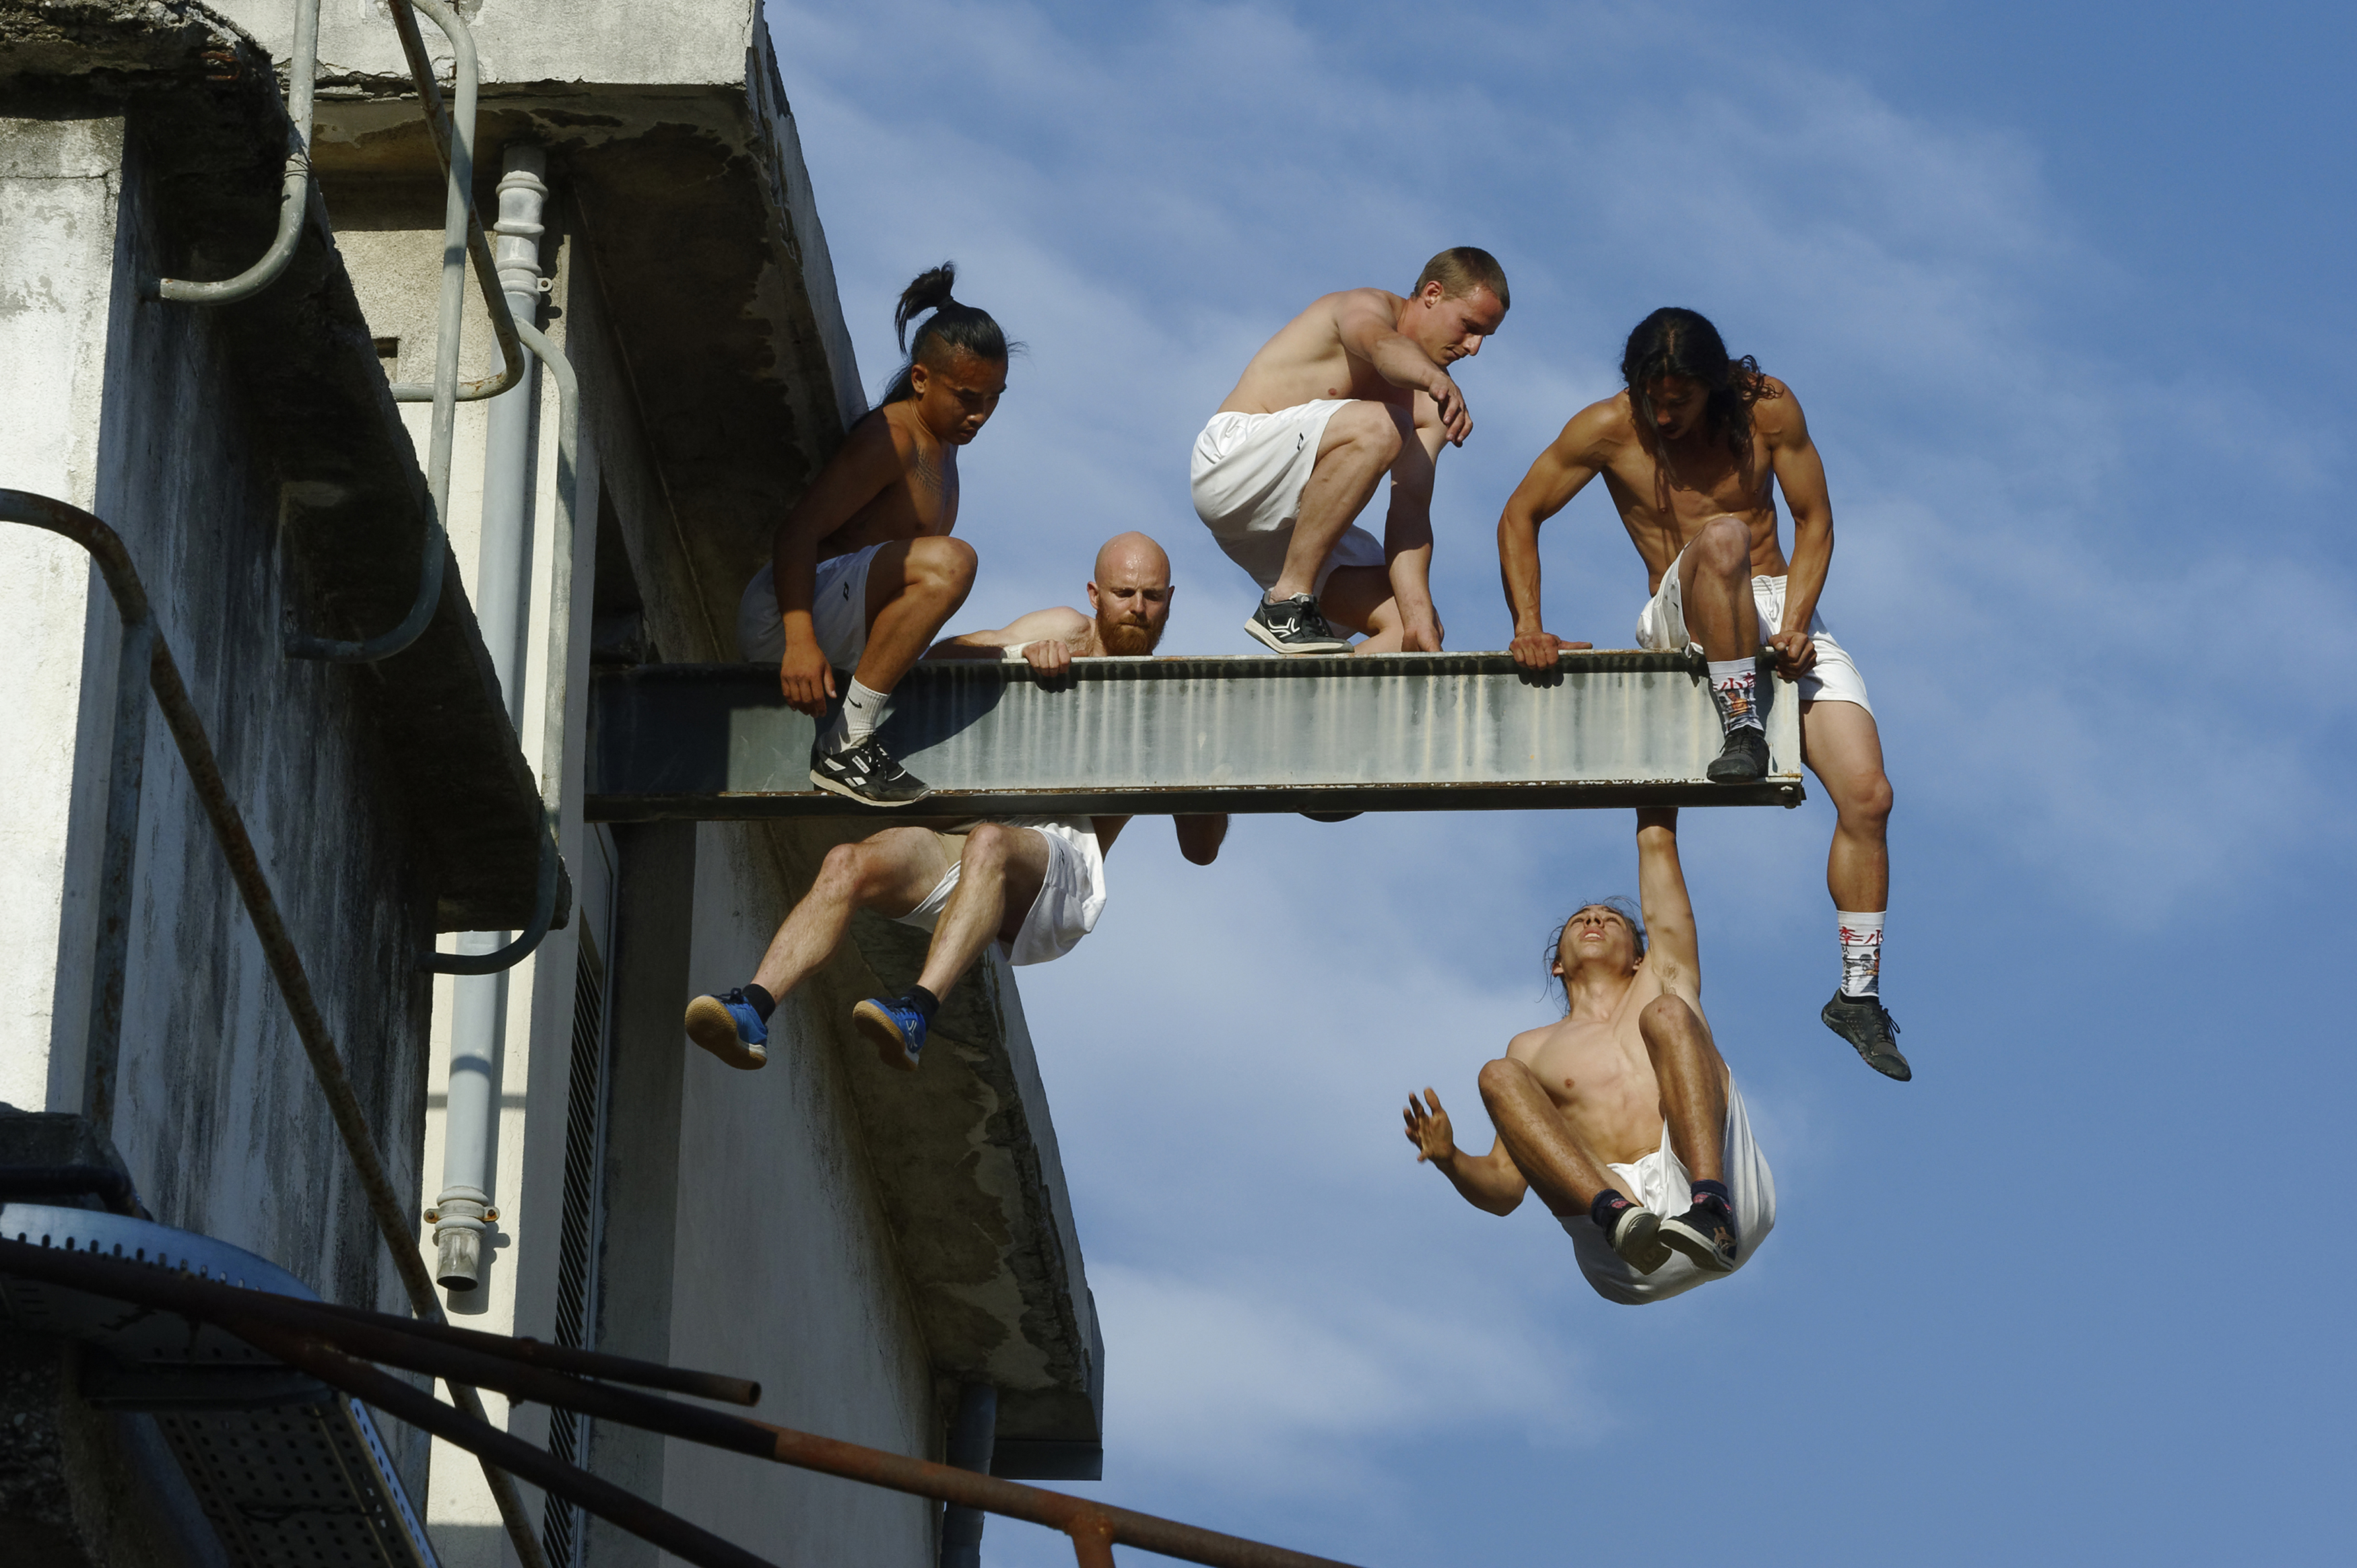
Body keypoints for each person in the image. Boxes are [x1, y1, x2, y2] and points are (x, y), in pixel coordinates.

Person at [1495, 307, 1906, 1081]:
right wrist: (1530, 624)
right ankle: (1739, 723)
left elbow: (1813, 517)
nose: (1663, 413)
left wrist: (1797, 619)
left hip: (1779, 604)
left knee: (1869, 796)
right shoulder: (1606, 429)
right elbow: (1520, 513)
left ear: (1715, 386)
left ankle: (1856, 994)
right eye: (1651, 395)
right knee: (1721, 539)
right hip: (1681, 615)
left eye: (1678, 398)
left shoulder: (1768, 409)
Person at [688, 534, 1226, 1072]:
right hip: (973, 843)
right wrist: (1015, 657)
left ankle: (917, 1012)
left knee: (990, 843)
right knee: (846, 863)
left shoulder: (1169, 693)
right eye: (1124, 592)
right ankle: (753, 1010)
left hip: (1064, 869)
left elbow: (1200, 851)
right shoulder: (1065, 630)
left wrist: (1201, 766)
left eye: (1152, 596)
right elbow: (938, 660)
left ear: (1171, 599)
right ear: (1094, 593)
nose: (1137, 608)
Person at [1401, 809, 1775, 1305]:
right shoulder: (1532, 1049)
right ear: (1557, 964)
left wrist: (1652, 798)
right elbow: (1503, 1188)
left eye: (1611, 918)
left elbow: (1658, 845)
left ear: (1640, 954)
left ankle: (1710, 1205)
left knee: (1667, 1012)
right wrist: (1451, 1160)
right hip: (1622, 1241)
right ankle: (1616, 1215)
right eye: (1580, 920)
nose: (1594, 918)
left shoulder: (1663, 975)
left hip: (1718, 1194)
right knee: (1498, 1074)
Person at [737, 264, 1009, 808]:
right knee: (954, 562)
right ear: (921, 379)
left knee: (1002, 645)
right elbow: (797, 530)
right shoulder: (893, 437)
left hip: (840, 627)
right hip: (787, 616)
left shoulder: (946, 451)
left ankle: (856, 725)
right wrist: (799, 641)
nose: (980, 414)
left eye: (993, 397)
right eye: (966, 397)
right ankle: (846, 744)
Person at [1190, 248, 1508, 656]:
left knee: (1409, 628)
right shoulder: (1365, 308)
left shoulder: (1431, 405)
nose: (1474, 347)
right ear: (1432, 293)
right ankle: (1286, 604)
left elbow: (1409, 514)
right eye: (1469, 326)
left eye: (1485, 337)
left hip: (1286, 530)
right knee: (1384, 425)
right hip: (1232, 466)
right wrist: (1431, 377)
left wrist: (1418, 619)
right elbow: (1381, 348)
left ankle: (1304, 710)